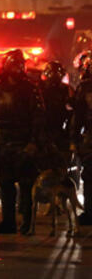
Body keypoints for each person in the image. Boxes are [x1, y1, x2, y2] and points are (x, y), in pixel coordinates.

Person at [0, 49, 44, 235]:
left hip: (23, 141)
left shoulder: (30, 89)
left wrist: (34, 142)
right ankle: (9, 221)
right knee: (6, 184)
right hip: (3, 142)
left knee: (26, 185)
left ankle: (26, 221)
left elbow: (38, 118)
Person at [70, 51, 92, 225]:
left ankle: (90, 213)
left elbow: (77, 117)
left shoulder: (84, 88)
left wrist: (74, 139)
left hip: (89, 138)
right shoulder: (84, 88)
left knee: (90, 176)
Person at [39, 61, 73, 171]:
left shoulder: (66, 90)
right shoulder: (39, 90)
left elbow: (73, 112)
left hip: (58, 132)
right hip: (46, 132)